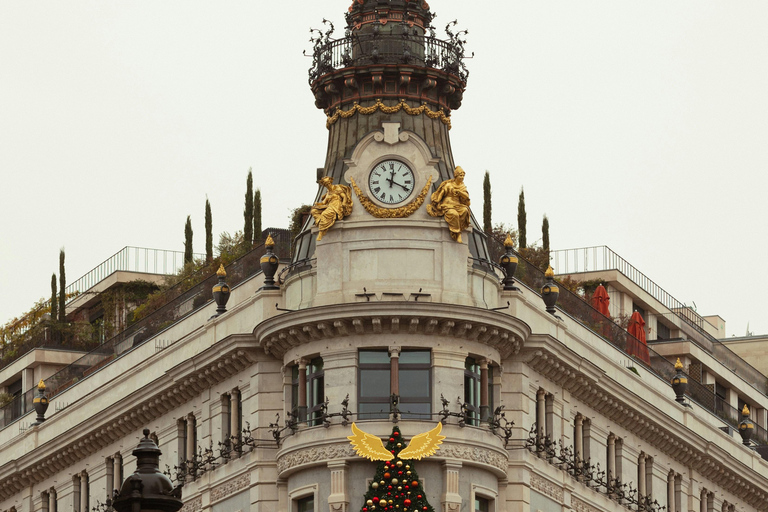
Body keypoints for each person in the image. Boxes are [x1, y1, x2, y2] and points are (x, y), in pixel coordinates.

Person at [426, 166, 471, 243]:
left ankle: (459, 228)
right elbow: (441, 193)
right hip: (448, 205)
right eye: (460, 175)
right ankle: (457, 233)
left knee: (465, 210)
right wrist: (437, 200)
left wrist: (460, 193)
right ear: (456, 175)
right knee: (454, 214)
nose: (462, 177)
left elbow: (466, 196)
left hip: (458, 205)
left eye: (463, 176)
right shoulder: (448, 185)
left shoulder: (462, 186)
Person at [311, 176, 353, 241]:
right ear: (325, 185)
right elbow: (324, 202)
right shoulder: (328, 192)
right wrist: (317, 204)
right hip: (329, 206)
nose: (328, 185)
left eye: (328, 183)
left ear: (330, 182)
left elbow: (344, 196)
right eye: (326, 184)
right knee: (314, 211)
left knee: (325, 214)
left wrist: (344, 203)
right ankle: (322, 223)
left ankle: (321, 232)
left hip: (337, 206)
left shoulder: (337, 188)